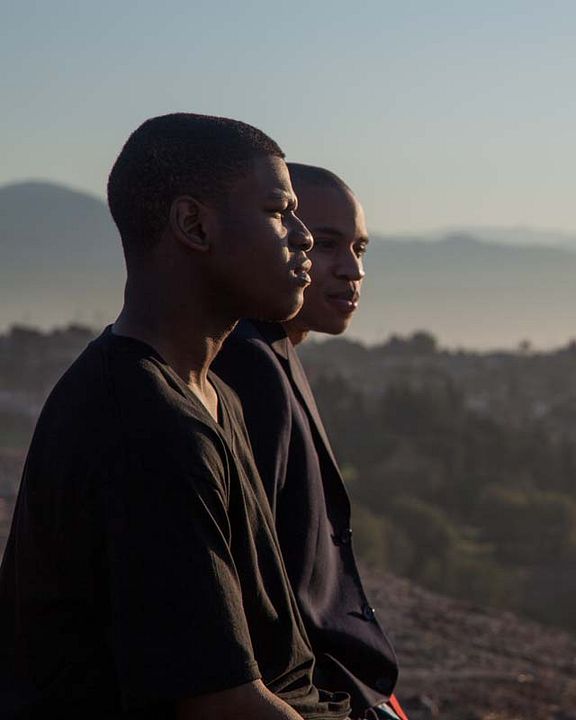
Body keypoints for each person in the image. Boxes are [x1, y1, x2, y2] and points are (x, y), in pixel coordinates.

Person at [0, 114, 351, 720]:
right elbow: (220, 705)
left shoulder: (211, 395)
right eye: (278, 211)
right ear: (193, 224)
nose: (302, 238)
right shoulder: (142, 423)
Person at [213, 164, 405, 720]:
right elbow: (259, 585)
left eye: (361, 249)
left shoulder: (276, 352)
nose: (353, 271)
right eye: (326, 245)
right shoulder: (247, 363)